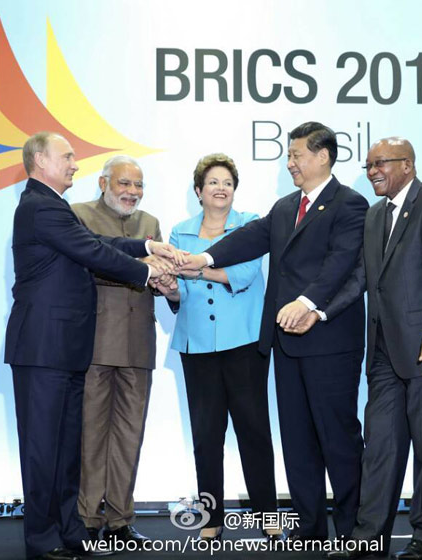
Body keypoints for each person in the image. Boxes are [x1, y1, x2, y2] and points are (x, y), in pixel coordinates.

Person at [182, 124, 369, 542]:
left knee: (337, 440)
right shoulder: (285, 207)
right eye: (289, 155)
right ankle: (309, 529)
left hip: (329, 344)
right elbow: (250, 239)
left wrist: (307, 303)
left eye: (297, 155)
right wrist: (205, 258)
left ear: (323, 156)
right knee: (297, 442)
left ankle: (354, 533)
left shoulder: (350, 204)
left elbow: (341, 264)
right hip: (285, 344)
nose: (290, 163)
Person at [4, 132, 182, 560]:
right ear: (40, 160)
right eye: (66, 156)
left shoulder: (54, 207)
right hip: (43, 349)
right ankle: (42, 541)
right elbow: (90, 249)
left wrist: (147, 245)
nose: (74, 163)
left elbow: (101, 242)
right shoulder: (38, 206)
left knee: (67, 451)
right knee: (43, 451)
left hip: (66, 349)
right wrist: (146, 271)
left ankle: (71, 533)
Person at [304, 137, 422, 559]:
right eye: (368, 165)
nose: (372, 172)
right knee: (379, 447)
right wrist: (319, 312)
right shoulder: (375, 214)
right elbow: (362, 277)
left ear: (408, 165)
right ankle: (368, 538)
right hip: (384, 353)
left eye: (380, 163)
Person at [154, 153, 280, 542]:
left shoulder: (250, 225)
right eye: (213, 182)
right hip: (197, 346)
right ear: (198, 191)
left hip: (244, 342)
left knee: (254, 431)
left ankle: (268, 515)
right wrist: (171, 289)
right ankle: (211, 517)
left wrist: (198, 269)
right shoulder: (180, 232)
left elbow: (244, 273)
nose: (220, 188)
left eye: (227, 182)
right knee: (206, 435)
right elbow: (178, 287)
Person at [71, 156, 163, 547]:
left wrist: (167, 283)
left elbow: (157, 277)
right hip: (95, 341)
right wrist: (142, 265)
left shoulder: (150, 223)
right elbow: (88, 266)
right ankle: (88, 519)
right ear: (103, 183)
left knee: (129, 435)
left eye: (138, 185)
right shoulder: (79, 215)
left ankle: (121, 520)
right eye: (124, 183)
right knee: (91, 434)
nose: (132, 192)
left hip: (139, 343)